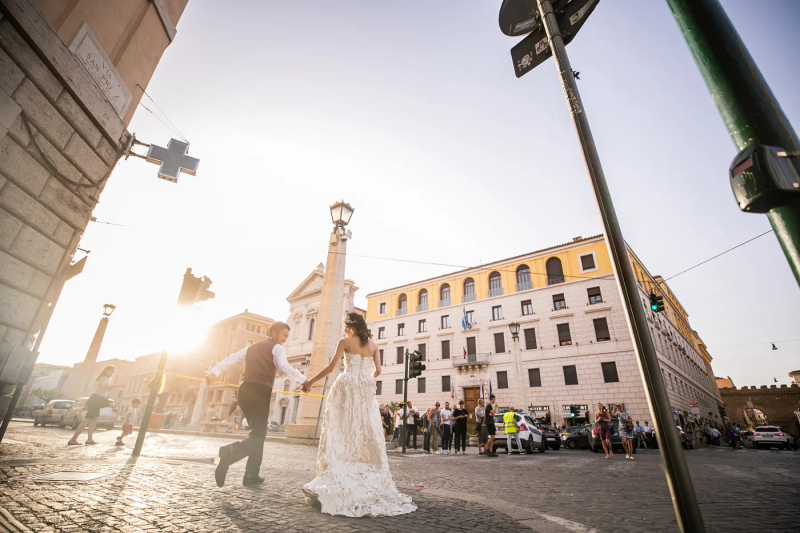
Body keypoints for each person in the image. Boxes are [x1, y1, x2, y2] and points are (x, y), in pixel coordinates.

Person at [300, 313, 416, 516]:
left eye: (345, 327)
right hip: (364, 386)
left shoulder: (345, 341)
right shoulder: (373, 345)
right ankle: (365, 463)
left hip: (347, 385)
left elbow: (330, 368)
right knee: (364, 427)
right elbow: (378, 370)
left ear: (349, 327)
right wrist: (366, 378)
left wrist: (310, 381)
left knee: (343, 427)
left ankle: (340, 462)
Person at [206, 321, 310, 487]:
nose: (285, 339)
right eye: (284, 335)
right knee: (259, 434)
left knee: (258, 433)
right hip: (259, 391)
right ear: (274, 333)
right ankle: (230, 452)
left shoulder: (252, 348)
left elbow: (232, 358)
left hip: (244, 391)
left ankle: (251, 474)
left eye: (287, 337)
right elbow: (284, 367)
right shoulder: (277, 347)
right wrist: (304, 380)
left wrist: (215, 372)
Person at [68, 365, 123, 445]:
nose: (112, 373)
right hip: (96, 400)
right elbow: (105, 386)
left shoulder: (104, 378)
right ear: (106, 370)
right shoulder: (105, 378)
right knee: (87, 420)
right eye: (111, 371)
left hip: (96, 400)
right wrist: (118, 385)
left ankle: (89, 439)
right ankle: (74, 439)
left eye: (113, 371)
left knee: (93, 421)